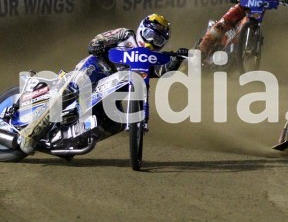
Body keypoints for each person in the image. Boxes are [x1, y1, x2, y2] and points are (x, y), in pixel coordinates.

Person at [16, 14, 180, 155]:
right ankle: (30, 133)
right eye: (150, 34)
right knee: (76, 85)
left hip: (112, 93)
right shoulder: (125, 35)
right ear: (141, 29)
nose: (151, 42)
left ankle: (72, 139)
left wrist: (178, 60)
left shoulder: (153, 59)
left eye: (158, 40)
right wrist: (99, 42)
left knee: (117, 123)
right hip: (97, 68)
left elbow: (163, 71)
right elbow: (98, 40)